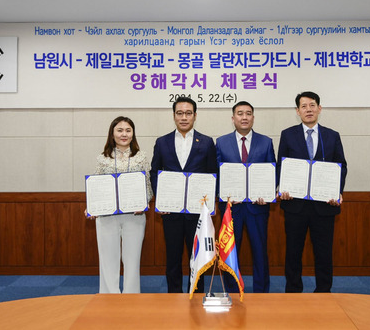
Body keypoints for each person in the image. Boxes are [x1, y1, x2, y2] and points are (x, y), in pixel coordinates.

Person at [277, 91, 347, 293]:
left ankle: (324, 291)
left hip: (324, 205)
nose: (308, 109)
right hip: (295, 206)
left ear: (319, 108)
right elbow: (283, 166)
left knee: (323, 252)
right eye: (304, 106)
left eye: (312, 105)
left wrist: (337, 191)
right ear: (297, 111)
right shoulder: (287, 134)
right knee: (293, 252)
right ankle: (293, 290)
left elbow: (341, 166)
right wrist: (282, 188)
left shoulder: (331, 136)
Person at [150, 96, 218, 293]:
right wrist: (161, 200)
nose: (184, 117)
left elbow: (212, 174)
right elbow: (155, 172)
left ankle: (196, 296)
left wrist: (208, 206)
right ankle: (173, 296)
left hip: (197, 213)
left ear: (195, 116)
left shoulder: (206, 142)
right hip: (171, 212)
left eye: (188, 113)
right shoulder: (162, 142)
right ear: (174, 116)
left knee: (198, 258)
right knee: (173, 257)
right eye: (180, 113)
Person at [87, 116, 153, 294]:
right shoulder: (102, 158)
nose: (124, 134)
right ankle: (109, 296)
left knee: (132, 260)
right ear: (112, 133)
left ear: (133, 134)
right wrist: (92, 206)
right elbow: (96, 186)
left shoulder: (141, 157)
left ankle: (132, 296)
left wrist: (144, 202)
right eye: (120, 130)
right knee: (108, 259)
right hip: (107, 216)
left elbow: (148, 186)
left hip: (135, 216)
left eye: (128, 130)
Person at [215, 101, 276, 293]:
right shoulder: (221, 142)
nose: (244, 117)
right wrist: (223, 194)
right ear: (233, 118)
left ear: (253, 118)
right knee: (230, 252)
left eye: (248, 113)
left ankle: (261, 292)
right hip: (231, 209)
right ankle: (232, 290)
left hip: (257, 207)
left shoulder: (266, 142)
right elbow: (216, 173)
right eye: (240, 113)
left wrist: (267, 193)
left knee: (260, 252)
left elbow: (271, 172)